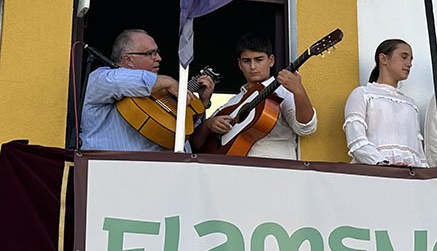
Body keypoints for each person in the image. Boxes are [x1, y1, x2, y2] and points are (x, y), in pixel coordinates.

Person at [80, 28, 213, 152]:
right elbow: (119, 80)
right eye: (150, 53)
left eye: (157, 52)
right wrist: (168, 81)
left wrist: (203, 103)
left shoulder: (162, 90)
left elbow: (187, 137)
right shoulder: (101, 78)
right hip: (110, 169)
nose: (159, 58)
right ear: (128, 59)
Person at [193, 33, 317, 159]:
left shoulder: (282, 92)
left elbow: (306, 128)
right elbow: (196, 144)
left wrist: (299, 91)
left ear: (271, 60)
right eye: (246, 61)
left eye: (259, 59)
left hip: (276, 170)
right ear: (240, 64)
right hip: (234, 171)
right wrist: (208, 124)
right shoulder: (233, 102)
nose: (253, 67)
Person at [344, 38, 427, 166]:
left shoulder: (410, 104)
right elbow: (356, 140)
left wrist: (424, 174)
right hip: (374, 173)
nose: (409, 63)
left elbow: (419, 152)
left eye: (411, 59)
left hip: (410, 177)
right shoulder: (363, 94)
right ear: (383, 59)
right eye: (404, 57)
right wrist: (382, 163)